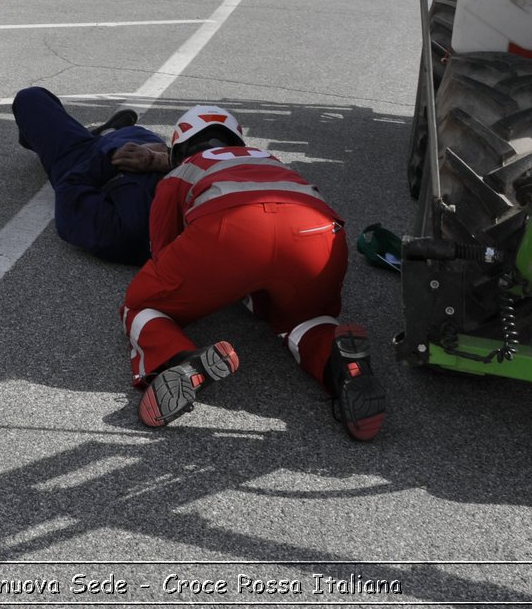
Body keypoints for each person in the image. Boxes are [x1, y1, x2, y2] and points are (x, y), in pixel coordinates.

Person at [120, 106, 386, 441]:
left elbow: (163, 252)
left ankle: (179, 361)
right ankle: (339, 364)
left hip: (231, 231)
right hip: (318, 232)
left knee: (141, 304)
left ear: (177, 150)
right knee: (308, 319)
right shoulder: (270, 160)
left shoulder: (180, 172)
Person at [12, 88, 168, 265]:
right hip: (137, 140)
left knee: (30, 98)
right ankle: (109, 132)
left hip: (84, 160)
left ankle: (104, 133)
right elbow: (198, 155)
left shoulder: (129, 232)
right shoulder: (196, 190)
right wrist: (165, 158)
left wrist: (109, 159)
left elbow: (70, 192)